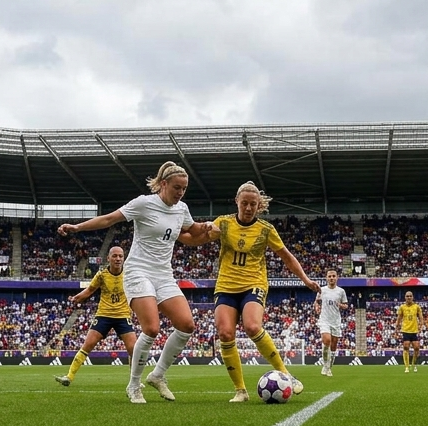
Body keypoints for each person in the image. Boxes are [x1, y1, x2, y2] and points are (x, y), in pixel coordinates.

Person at [58, 161, 213, 404]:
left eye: (184, 188)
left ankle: (158, 375)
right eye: (177, 187)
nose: (181, 193)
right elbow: (109, 219)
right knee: (151, 328)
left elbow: (192, 233)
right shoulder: (144, 203)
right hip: (138, 271)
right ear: (163, 184)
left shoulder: (181, 209)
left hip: (164, 274)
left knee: (186, 325)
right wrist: (77, 227)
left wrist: (209, 229)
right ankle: (133, 385)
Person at [203, 182, 320, 402]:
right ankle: (240, 390)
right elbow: (198, 237)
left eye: (253, 204)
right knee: (225, 333)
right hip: (226, 286)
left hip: (253, 284)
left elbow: (286, 256)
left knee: (252, 326)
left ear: (259, 205)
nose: (248, 208)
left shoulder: (266, 229)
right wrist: (199, 227)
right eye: (244, 203)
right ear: (237, 201)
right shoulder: (223, 223)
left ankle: (285, 373)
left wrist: (305, 279)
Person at [55, 246, 136, 387]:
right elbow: (89, 290)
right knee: (87, 345)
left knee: (134, 349)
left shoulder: (129, 274)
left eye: (120, 256)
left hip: (123, 315)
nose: (118, 259)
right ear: (108, 258)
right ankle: (69, 376)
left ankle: (135, 381)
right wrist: (76, 298)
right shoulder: (101, 275)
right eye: (115, 256)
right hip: (104, 315)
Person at [315, 270, 349, 377]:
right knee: (327, 340)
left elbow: (346, 305)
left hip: (336, 321)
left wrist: (341, 305)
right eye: (329, 276)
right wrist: (317, 307)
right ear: (326, 278)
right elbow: (317, 301)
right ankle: (325, 366)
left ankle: (329, 367)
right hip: (324, 320)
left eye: (333, 276)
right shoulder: (322, 290)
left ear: (337, 278)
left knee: (333, 346)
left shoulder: (341, 291)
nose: (331, 278)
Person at [396, 291, 425, 373]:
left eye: (410, 296)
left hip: (414, 330)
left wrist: (421, 325)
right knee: (406, 347)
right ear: (405, 297)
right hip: (406, 330)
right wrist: (397, 326)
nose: (409, 297)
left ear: (412, 297)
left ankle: (414, 364)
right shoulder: (402, 307)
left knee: (416, 348)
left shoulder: (417, 307)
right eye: (407, 296)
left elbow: (420, 317)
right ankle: (407, 367)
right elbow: (399, 317)